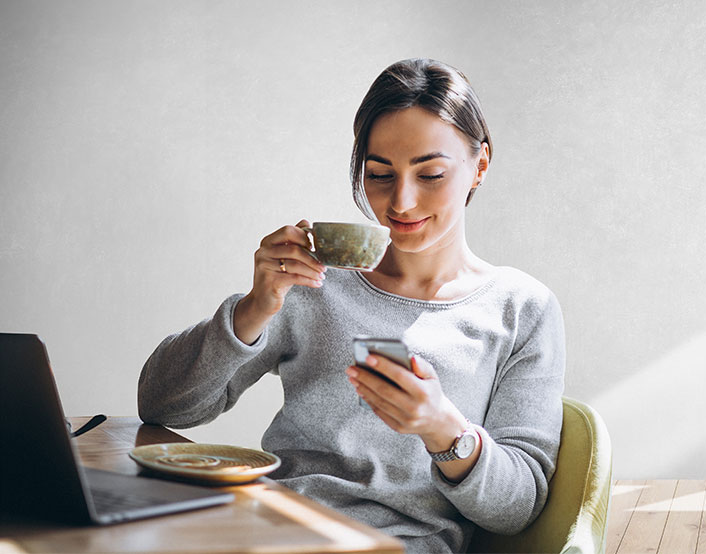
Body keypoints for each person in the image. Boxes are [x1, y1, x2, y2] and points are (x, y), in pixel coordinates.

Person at [138, 58, 565, 554]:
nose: (401, 202)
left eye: (429, 174)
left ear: (480, 166)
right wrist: (255, 307)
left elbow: (519, 507)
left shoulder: (521, 309)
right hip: (265, 532)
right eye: (379, 174)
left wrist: (442, 429)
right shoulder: (314, 282)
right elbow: (162, 405)